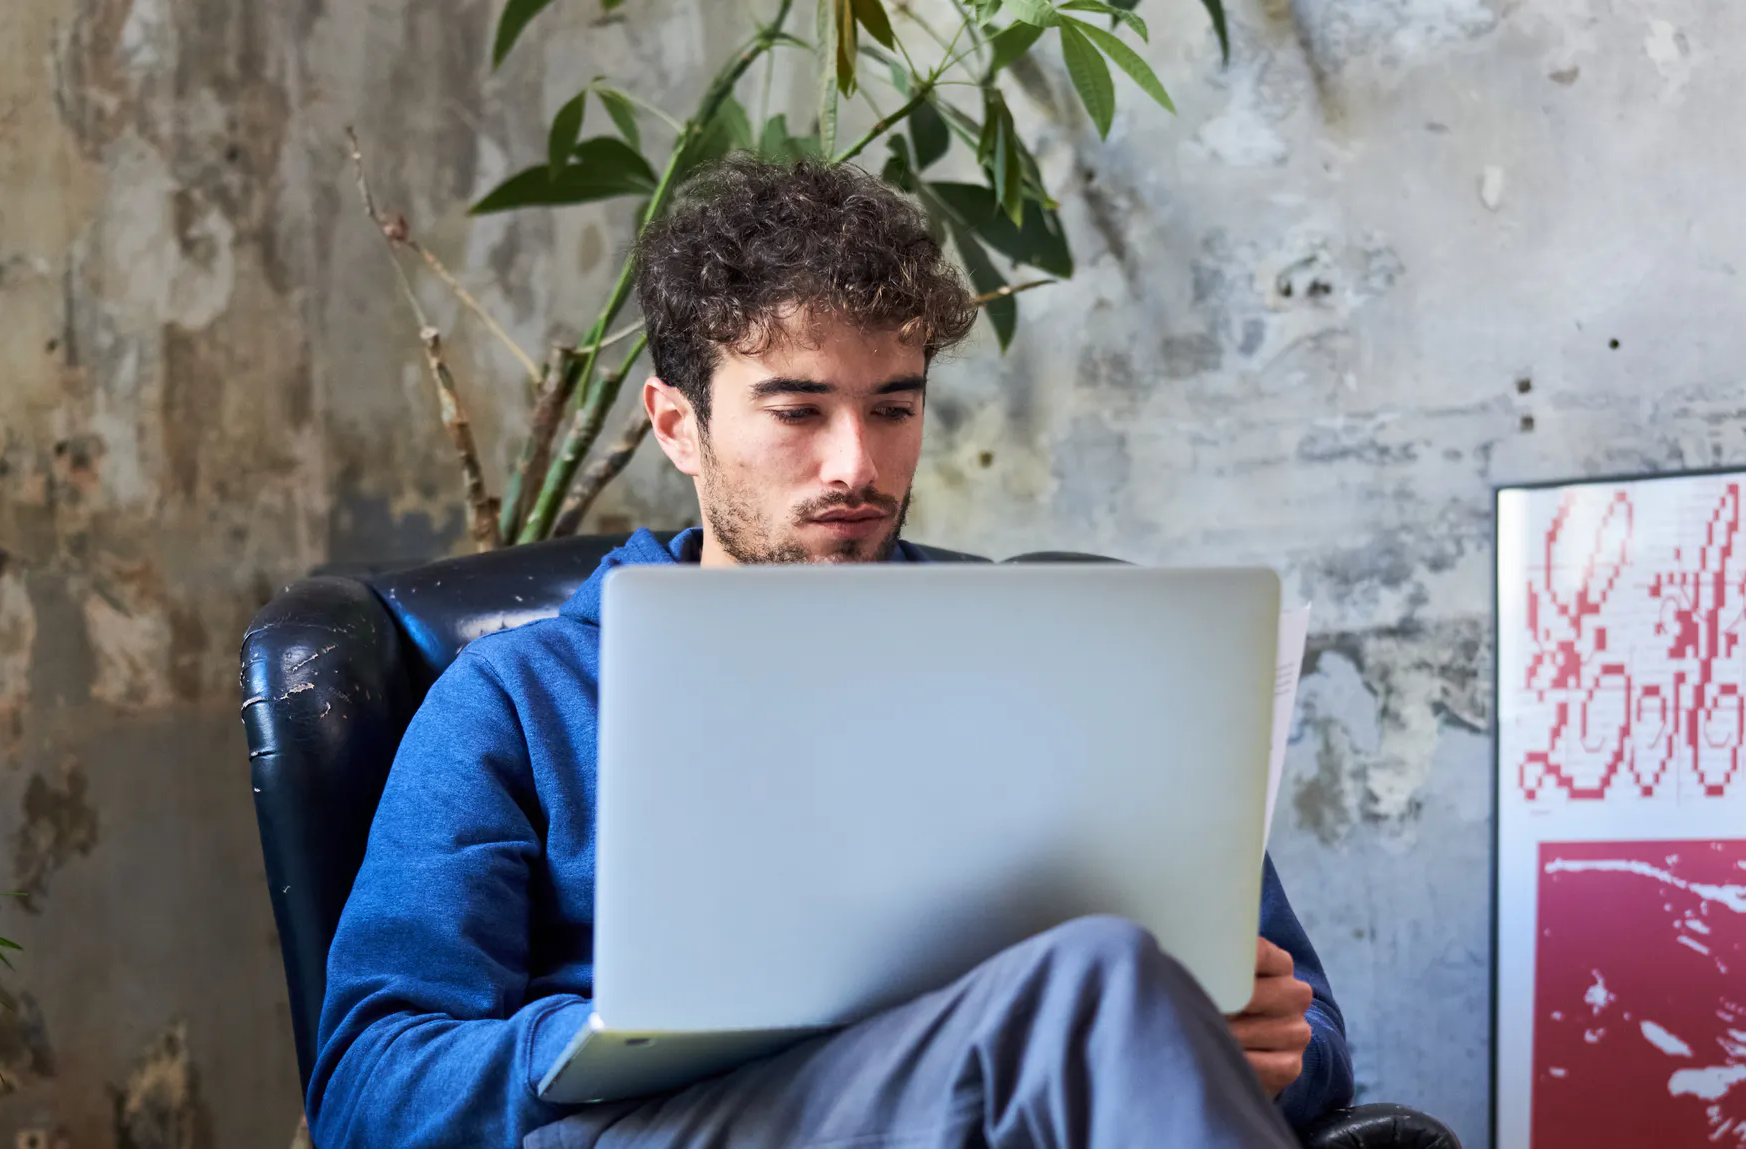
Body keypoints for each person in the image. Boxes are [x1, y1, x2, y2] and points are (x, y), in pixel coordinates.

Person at [309, 156, 1354, 1148]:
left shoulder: (1060, 663)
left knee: (1098, 993)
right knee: (1092, 982)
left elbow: (1315, 1043)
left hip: (1001, 1105)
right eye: (798, 410)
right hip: (665, 1129)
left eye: (892, 408)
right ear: (676, 425)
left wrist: (1256, 1043)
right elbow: (370, 1088)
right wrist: (620, 1034)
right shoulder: (518, 700)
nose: (855, 464)